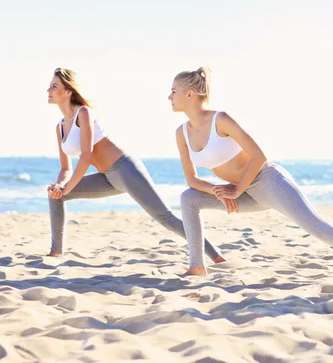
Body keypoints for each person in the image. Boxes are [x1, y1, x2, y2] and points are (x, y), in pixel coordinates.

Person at [169, 66, 333, 277]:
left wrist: (237, 190)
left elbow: (259, 156)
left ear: (190, 94)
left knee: (319, 228)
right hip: (244, 193)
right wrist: (218, 191)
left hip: (268, 181)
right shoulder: (181, 133)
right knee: (189, 198)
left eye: (174, 91)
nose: (169, 97)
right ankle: (197, 267)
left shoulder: (221, 120)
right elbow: (192, 179)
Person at [46, 67, 224, 263]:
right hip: (107, 178)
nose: (49, 90)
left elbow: (86, 156)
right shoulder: (60, 127)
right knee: (56, 196)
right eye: (50, 86)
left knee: (166, 218)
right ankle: (56, 253)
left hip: (125, 169)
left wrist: (66, 187)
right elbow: (65, 169)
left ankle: (216, 256)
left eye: (54, 86)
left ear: (68, 91)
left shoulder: (84, 113)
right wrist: (59, 186)